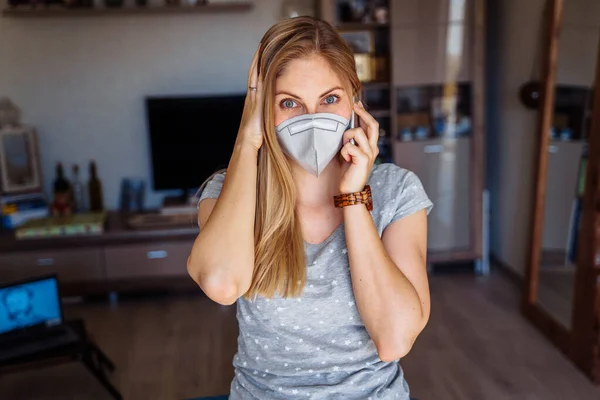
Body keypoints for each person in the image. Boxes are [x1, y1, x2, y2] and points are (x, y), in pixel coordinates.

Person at [188, 16, 433, 400]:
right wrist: (247, 141)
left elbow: (395, 340)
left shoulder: (396, 192)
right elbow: (221, 284)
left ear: (356, 98)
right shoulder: (231, 190)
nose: (312, 119)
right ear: (262, 109)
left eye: (330, 99)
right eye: (289, 103)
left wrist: (353, 197)